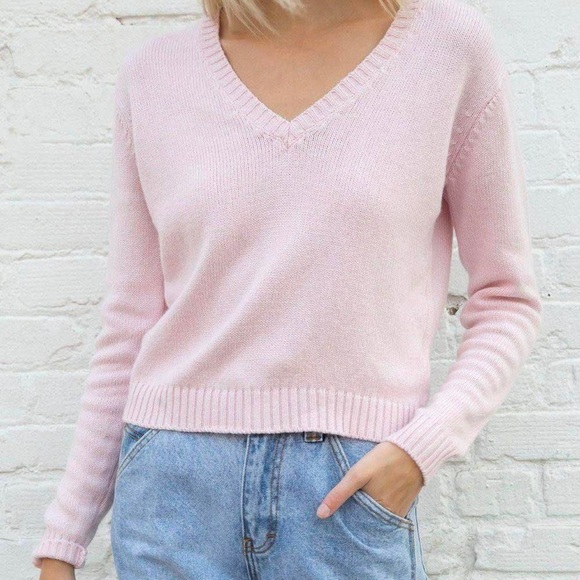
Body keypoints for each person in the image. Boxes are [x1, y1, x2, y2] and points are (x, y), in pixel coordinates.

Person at [33, 0, 542, 578]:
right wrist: (63, 540)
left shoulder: (445, 47)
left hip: (347, 493)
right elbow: (130, 324)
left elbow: (506, 298)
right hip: (171, 497)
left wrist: (422, 446)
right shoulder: (154, 74)